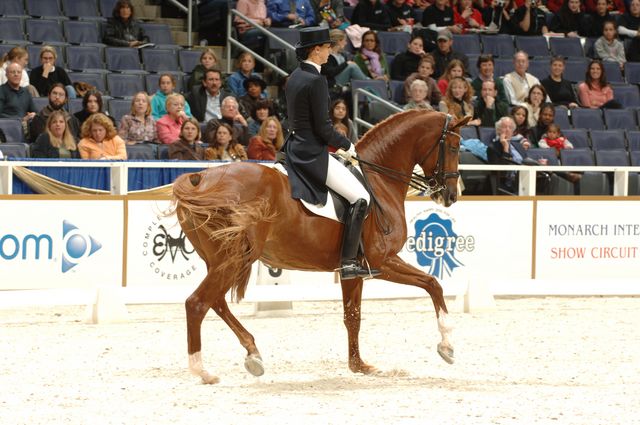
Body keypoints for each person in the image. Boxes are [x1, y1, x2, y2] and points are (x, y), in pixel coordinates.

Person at [284, 27, 379, 279]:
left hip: (293, 147)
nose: (330, 51)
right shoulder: (316, 80)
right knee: (361, 198)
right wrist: (347, 145)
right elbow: (323, 128)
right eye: (327, 47)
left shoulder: (294, 76)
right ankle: (349, 262)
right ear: (316, 50)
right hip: (311, 153)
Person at [487, 116, 529, 193]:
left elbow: (527, 162)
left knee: (553, 178)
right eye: (504, 127)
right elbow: (501, 172)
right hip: (507, 184)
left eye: (510, 127)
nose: (507, 130)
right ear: (499, 130)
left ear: (513, 131)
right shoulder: (492, 148)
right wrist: (505, 148)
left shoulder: (519, 146)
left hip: (523, 180)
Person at [322, 29, 370, 94]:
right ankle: (369, 83)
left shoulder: (342, 55)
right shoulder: (328, 55)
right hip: (333, 82)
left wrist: (346, 64)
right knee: (352, 66)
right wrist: (346, 64)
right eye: (345, 41)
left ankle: (367, 83)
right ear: (339, 41)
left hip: (343, 81)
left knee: (351, 65)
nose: (346, 43)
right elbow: (330, 72)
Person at [0, 63, 36, 136]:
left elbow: (34, 111)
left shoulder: (26, 92)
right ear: (6, 75)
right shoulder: (1, 90)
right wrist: (21, 119)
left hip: (25, 127)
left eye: (19, 72)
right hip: (7, 128)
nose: (16, 74)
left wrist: (33, 114)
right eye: (13, 72)